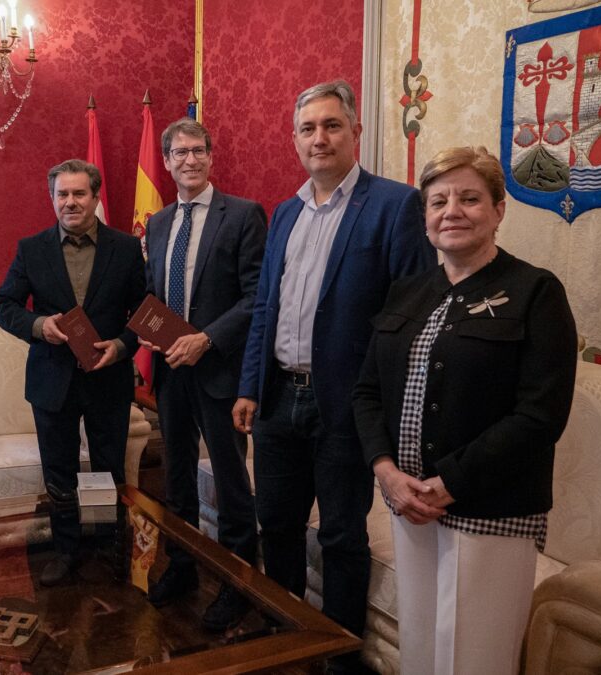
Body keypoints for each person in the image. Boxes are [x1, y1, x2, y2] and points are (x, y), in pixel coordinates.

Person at [232, 79, 434, 672]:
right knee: (279, 525)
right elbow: (265, 306)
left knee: (342, 538)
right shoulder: (286, 211)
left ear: (356, 132)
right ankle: (287, 637)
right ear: (295, 140)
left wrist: (383, 407)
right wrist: (249, 385)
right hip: (276, 399)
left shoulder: (396, 206)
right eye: (307, 128)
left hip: (345, 405)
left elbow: (409, 317)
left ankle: (338, 658)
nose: (319, 138)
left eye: (331, 126)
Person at [352, 146, 577, 674]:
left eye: (470, 198)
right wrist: (386, 473)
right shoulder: (408, 291)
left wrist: (448, 482)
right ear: (425, 219)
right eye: (438, 201)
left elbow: (540, 414)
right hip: (409, 504)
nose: (451, 210)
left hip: (490, 510)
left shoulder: (535, 291)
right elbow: (366, 393)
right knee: (423, 653)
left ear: (499, 210)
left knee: (475, 658)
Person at [0, 159, 146, 586]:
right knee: (58, 473)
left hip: (107, 378)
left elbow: (146, 313)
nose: (71, 202)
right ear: (52, 198)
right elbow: (2, 306)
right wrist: (40, 326)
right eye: (63, 194)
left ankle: (102, 547)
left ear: (95, 198)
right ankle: (65, 550)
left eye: (80, 194)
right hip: (51, 379)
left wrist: (120, 347)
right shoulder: (31, 248)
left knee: (104, 470)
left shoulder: (127, 248)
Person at [138, 118, 266, 631]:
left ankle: (237, 585)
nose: (188, 160)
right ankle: (184, 567)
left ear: (211, 157)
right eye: (178, 153)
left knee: (233, 483)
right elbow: (156, 290)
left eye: (198, 151)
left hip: (219, 371)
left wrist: (205, 339)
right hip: (171, 371)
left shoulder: (243, 215)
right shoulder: (161, 221)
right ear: (166, 162)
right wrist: (153, 332)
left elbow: (258, 298)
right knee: (176, 478)